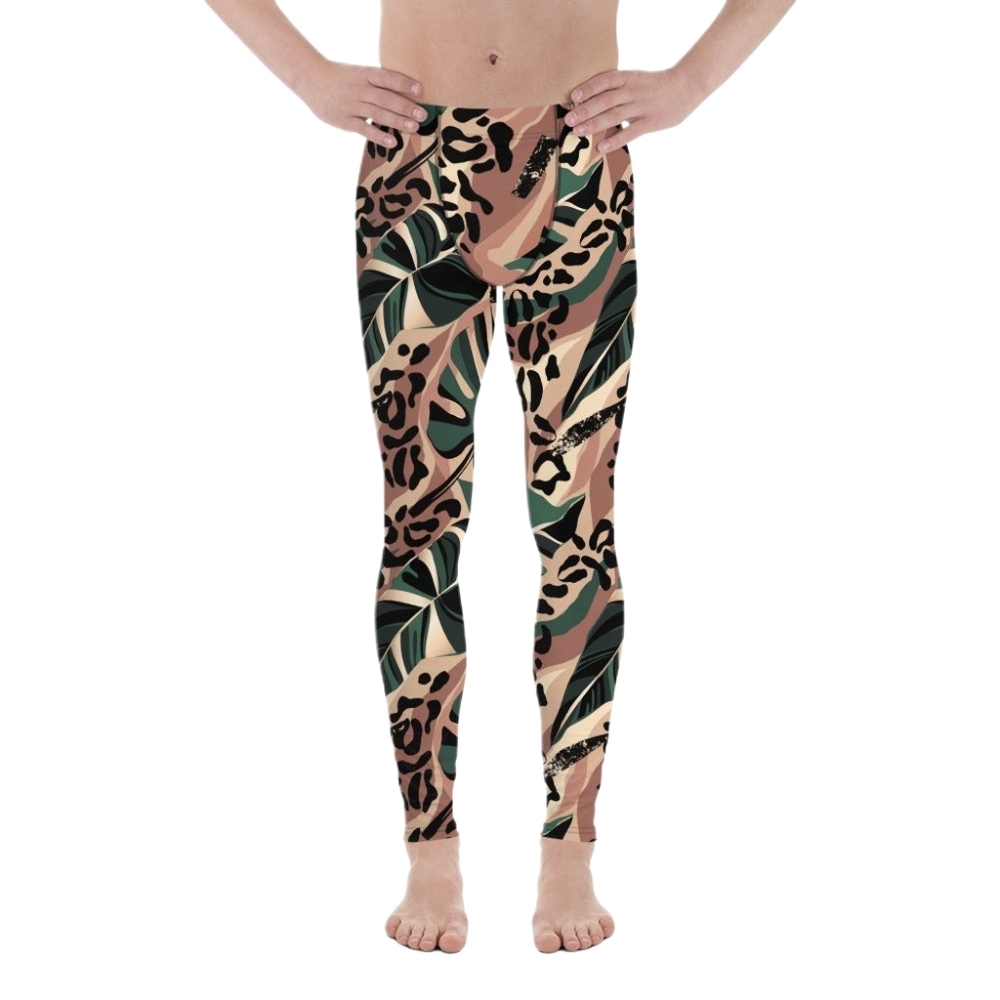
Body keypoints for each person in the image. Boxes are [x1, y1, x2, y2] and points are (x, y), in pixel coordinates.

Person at [204, 0, 797, 953]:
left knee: (578, 526)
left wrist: (690, 82)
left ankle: (571, 847)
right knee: (420, 526)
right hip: (413, 168)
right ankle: (429, 849)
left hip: (578, 167)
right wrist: (309, 75)